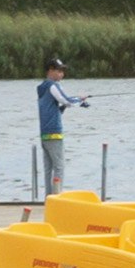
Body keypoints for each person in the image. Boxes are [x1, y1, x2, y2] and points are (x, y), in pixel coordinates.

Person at [36, 58, 91, 194]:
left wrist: (71, 103)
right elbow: (66, 100)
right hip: (55, 132)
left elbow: (56, 106)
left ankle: (49, 198)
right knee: (59, 167)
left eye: (62, 71)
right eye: (59, 71)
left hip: (45, 133)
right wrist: (80, 99)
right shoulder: (52, 85)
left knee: (49, 169)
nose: (62, 74)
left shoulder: (42, 87)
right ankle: (57, 198)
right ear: (50, 71)